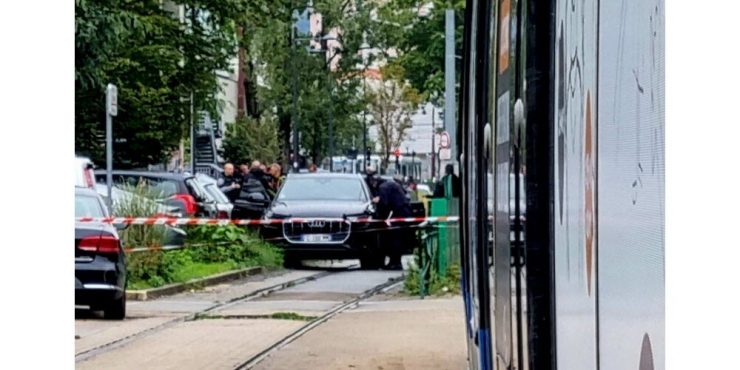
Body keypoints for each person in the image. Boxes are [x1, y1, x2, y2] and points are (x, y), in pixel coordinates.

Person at [373, 176, 412, 270]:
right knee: (398, 238)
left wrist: (380, 214)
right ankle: (395, 261)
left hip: (399, 213)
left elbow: (384, 204)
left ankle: (395, 262)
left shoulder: (383, 187)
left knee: (394, 238)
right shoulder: (392, 184)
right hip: (405, 212)